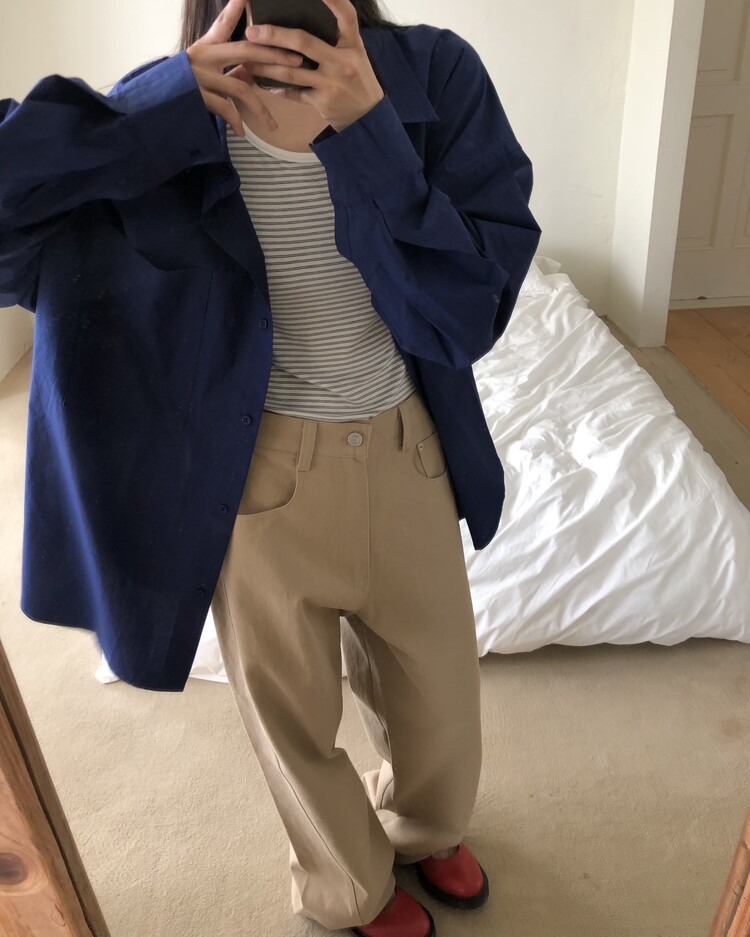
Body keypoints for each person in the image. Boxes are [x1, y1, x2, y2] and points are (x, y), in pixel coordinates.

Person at [0, 0, 541, 935]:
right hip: (255, 473)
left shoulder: (434, 76)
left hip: (408, 446)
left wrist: (369, 131)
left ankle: (426, 826)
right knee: (289, 715)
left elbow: (469, 311)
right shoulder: (164, 114)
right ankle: (349, 886)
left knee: (440, 698)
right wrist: (159, 107)